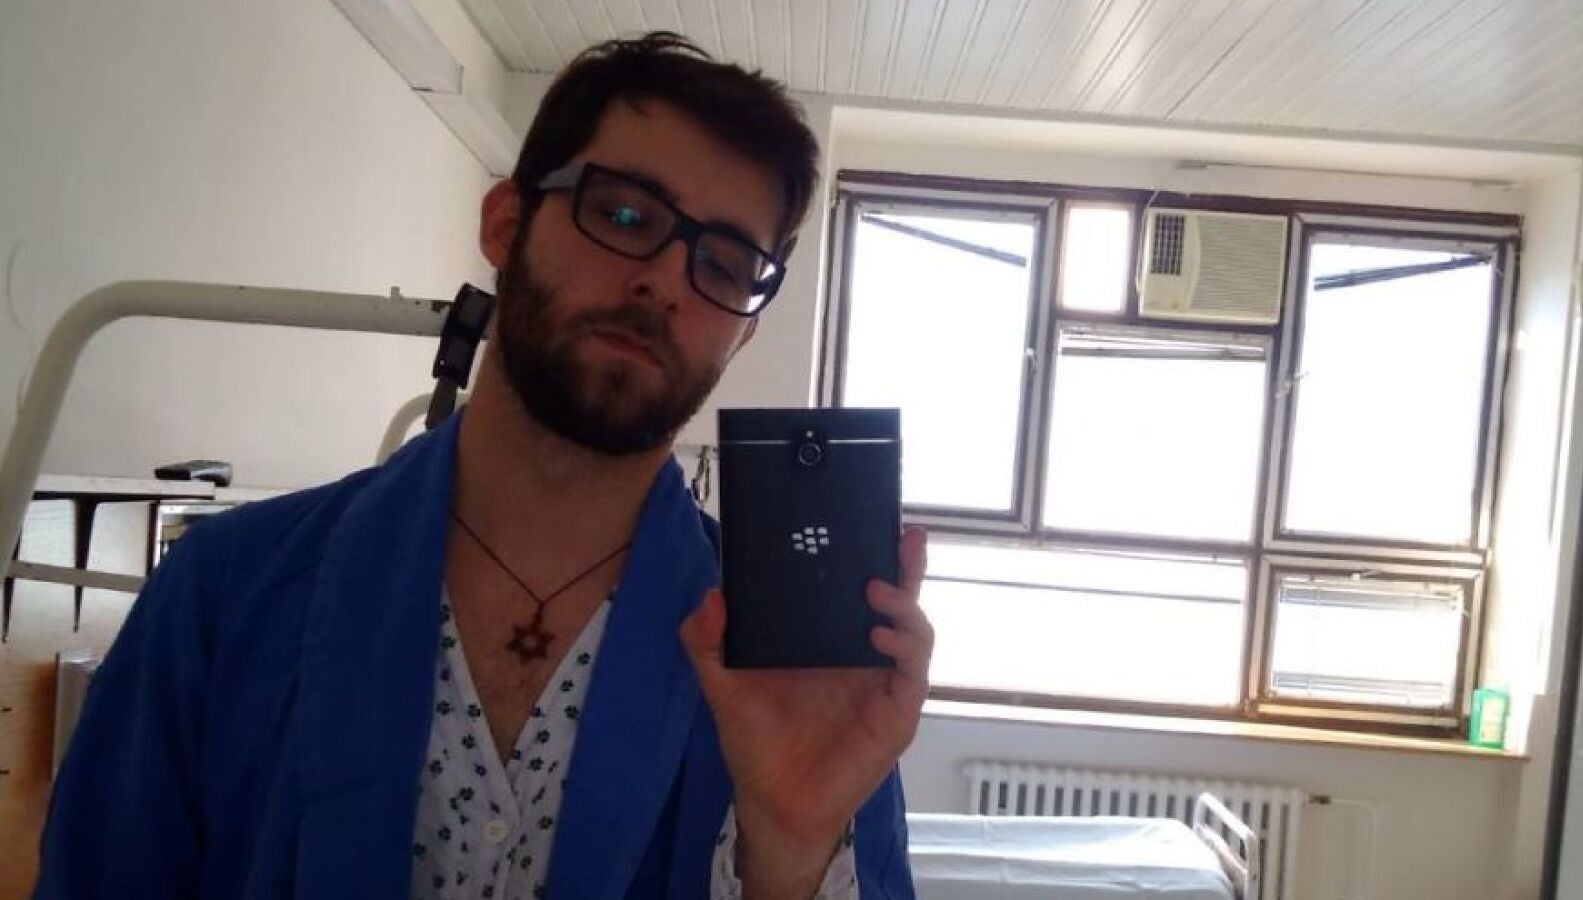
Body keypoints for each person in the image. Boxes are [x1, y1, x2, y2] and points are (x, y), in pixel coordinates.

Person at [32, 31, 932, 900]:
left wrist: (789, 854)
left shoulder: (790, 669)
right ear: (506, 223)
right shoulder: (223, 596)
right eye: (624, 214)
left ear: (746, 330)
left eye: (725, 265)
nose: (664, 280)